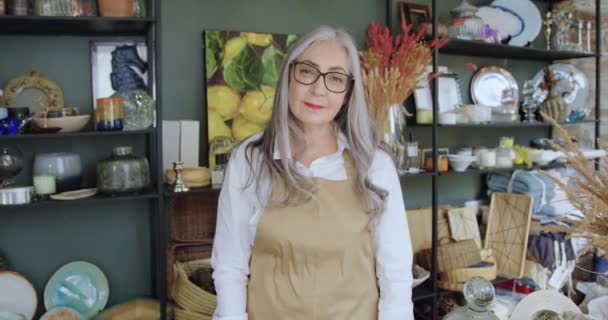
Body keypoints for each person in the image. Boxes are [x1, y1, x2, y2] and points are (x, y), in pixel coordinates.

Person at [211, 25, 414, 320]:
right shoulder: (251, 158)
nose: (319, 89)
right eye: (307, 72)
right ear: (288, 77)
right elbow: (230, 264)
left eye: (335, 78)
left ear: (347, 93)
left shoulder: (374, 163)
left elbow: (395, 271)